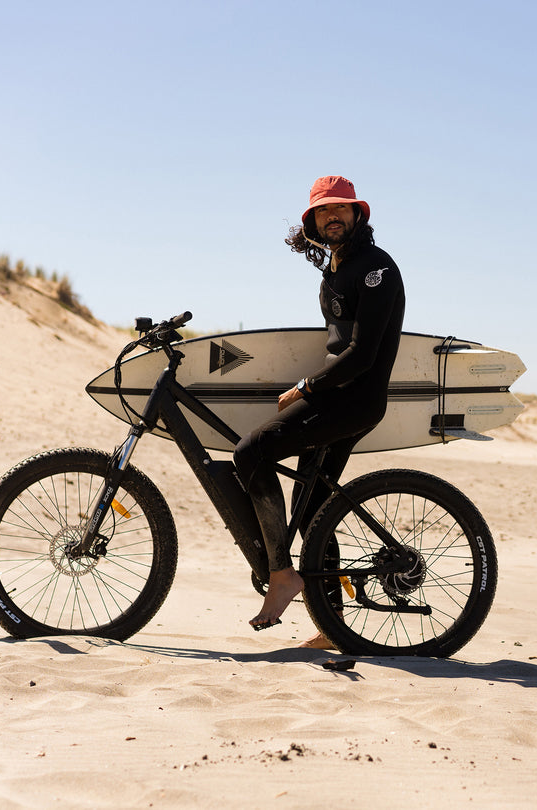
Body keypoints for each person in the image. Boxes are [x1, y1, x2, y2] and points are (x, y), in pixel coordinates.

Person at [233, 175, 405, 646]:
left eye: (341, 209)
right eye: (323, 211)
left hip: (352, 398)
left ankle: (281, 574)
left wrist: (309, 385)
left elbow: (363, 352)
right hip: (337, 396)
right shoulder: (336, 267)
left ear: (357, 215)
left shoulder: (376, 269)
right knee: (311, 512)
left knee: (250, 454)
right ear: (312, 220)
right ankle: (332, 625)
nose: (333, 216)